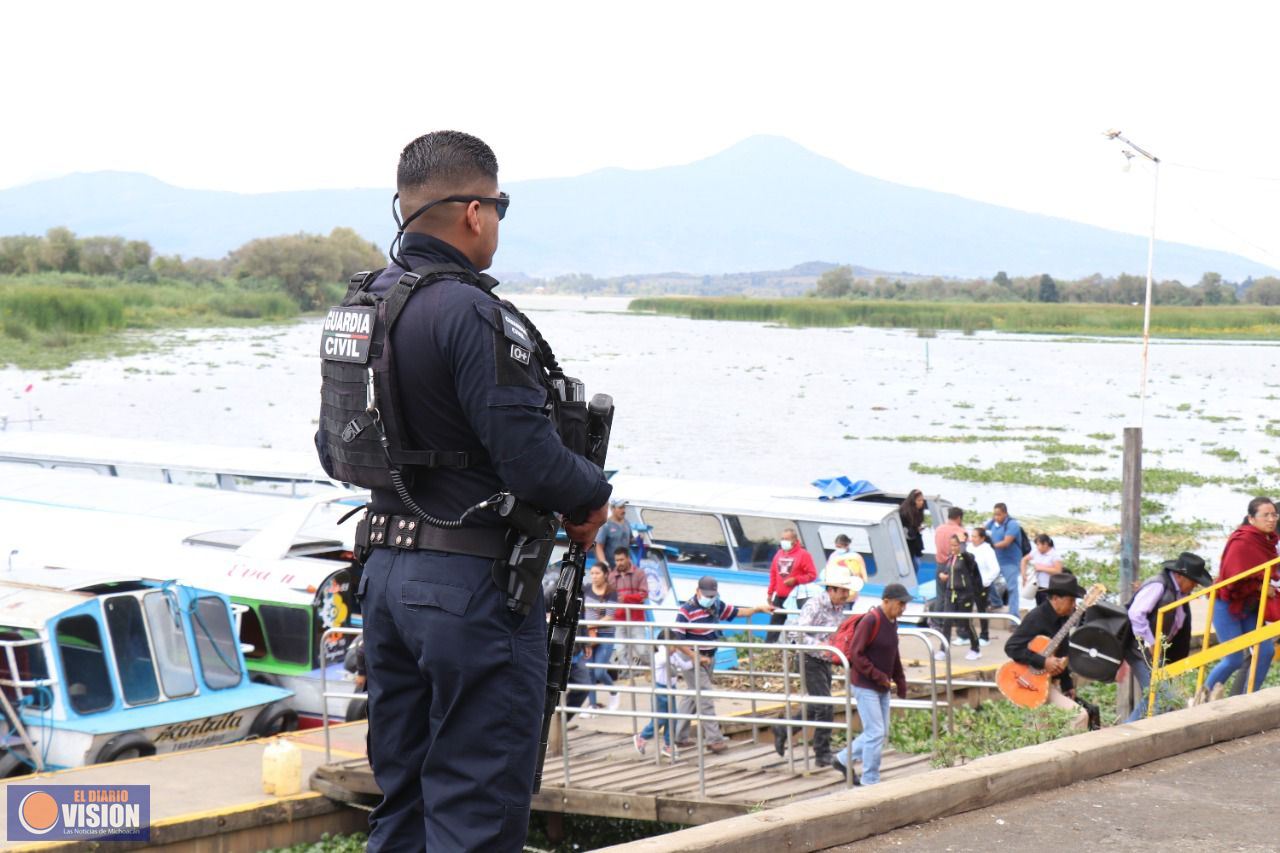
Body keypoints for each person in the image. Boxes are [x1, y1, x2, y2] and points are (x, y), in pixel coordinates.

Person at [352, 131, 610, 853]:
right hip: (471, 585)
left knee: (401, 794)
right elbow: (531, 460)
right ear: (474, 211)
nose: (496, 220)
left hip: (384, 570)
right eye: (498, 206)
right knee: (478, 801)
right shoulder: (472, 313)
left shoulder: (363, 304)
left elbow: (331, 446)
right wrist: (592, 493)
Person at [771, 564, 864, 766]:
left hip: (824, 659)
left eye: (846, 591)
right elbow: (797, 632)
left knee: (817, 704)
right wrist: (819, 645)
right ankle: (821, 753)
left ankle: (784, 729)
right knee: (824, 705)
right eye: (843, 591)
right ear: (831, 590)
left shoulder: (838, 606)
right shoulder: (814, 605)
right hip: (809, 658)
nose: (846, 594)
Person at [672, 576, 774, 753]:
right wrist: (694, 655)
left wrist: (758, 609)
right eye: (706, 595)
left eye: (712, 595)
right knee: (705, 697)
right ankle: (714, 739)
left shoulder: (716, 606)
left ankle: (678, 736)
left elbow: (737, 612)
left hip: (709, 657)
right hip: (692, 659)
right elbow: (677, 639)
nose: (709, 598)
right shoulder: (686, 611)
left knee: (692, 695)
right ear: (698, 591)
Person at [831, 583, 911, 785]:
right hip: (865, 685)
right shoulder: (871, 620)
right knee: (875, 732)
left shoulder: (892, 622)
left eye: (904, 604)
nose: (903, 609)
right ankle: (870, 779)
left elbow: (893, 654)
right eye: (900, 604)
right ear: (886, 601)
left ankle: (842, 759)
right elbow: (857, 654)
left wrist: (899, 680)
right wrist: (878, 676)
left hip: (882, 685)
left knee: (879, 732)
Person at [1204, 496, 1279, 699]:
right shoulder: (1242, 541)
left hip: (1250, 604)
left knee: (1265, 651)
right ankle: (1202, 696)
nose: (1272, 519)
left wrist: (1264, 586)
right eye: (1266, 515)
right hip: (1228, 603)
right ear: (1251, 519)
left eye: (1274, 514)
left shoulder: (1268, 541)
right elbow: (1232, 579)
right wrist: (1261, 585)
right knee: (1234, 659)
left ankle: (1247, 698)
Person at [1125, 552, 1213, 722]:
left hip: (1156, 651)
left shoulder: (1180, 593)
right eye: (1193, 581)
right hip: (1141, 649)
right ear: (1180, 576)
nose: (1194, 586)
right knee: (1160, 696)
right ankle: (1126, 733)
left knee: (1159, 695)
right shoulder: (1159, 586)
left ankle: (1130, 730)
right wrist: (1150, 642)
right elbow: (1136, 614)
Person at [1004, 572, 1089, 731]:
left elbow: (1061, 654)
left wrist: (1067, 684)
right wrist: (1043, 661)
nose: (1073, 605)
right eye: (1071, 600)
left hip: (1051, 682)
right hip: (1033, 681)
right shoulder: (1036, 617)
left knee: (1043, 730)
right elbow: (1011, 647)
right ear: (1056, 599)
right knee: (1079, 716)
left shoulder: (1064, 618)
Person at [633, 645, 688, 759]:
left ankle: (669, 744)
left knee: (672, 718)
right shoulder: (660, 656)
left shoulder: (673, 655)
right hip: (660, 689)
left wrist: (696, 660)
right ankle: (642, 737)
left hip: (671, 688)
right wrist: (666, 648)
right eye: (674, 645)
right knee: (660, 719)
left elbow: (684, 665)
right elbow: (664, 659)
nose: (676, 649)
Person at [935, 535, 984, 660]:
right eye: (951, 545)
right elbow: (949, 572)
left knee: (965, 623)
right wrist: (943, 575)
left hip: (965, 595)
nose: (953, 548)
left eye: (956, 545)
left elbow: (971, 564)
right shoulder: (951, 558)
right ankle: (943, 649)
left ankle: (975, 649)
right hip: (951, 594)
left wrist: (963, 547)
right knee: (947, 622)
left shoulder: (966, 558)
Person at [765, 528, 818, 643]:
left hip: (796, 598)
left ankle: (796, 651)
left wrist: (796, 580)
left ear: (794, 540)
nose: (784, 541)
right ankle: (768, 650)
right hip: (780, 596)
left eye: (787, 539)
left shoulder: (804, 555)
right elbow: (773, 574)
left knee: (795, 627)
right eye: (782, 539)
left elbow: (812, 575)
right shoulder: (778, 554)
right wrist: (770, 592)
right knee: (774, 626)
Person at [580, 563, 618, 714]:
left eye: (597, 573)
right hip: (589, 634)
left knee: (599, 672)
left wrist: (590, 625)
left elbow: (610, 616)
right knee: (588, 670)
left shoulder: (611, 592)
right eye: (592, 573)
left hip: (605, 634)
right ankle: (592, 705)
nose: (594, 576)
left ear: (605, 574)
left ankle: (614, 693)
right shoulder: (587, 589)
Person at [608, 547, 650, 673]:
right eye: (617, 560)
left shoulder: (639, 573)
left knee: (642, 650)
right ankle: (628, 676)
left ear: (628, 558)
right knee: (620, 651)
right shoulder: (611, 576)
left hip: (636, 619)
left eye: (621, 559)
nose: (619, 563)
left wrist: (625, 598)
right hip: (619, 619)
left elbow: (644, 595)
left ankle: (653, 668)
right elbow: (610, 598)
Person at [985, 502, 1024, 615]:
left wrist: (992, 545)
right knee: (987, 581)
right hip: (996, 560)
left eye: (999, 515)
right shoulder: (993, 522)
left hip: (1010, 561)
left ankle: (1014, 618)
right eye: (995, 514)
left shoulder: (1012, 524)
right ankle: (996, 602)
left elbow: (1006, 542)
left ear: (1005, 514)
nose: (996, 517)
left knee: (1012, 589)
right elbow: (982, 531)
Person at [968, 527, 999, 646]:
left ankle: (984, 635)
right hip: (969, 583)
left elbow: (995, 569)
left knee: (982, 609)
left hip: (982, 584)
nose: (973, 539)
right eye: (972, 536)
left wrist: (986, 582)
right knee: (966, 609)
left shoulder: (987, 550)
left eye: (975, 537)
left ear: (982, 538)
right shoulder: (969, 547)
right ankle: (966, 634)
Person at [1021, 533, 1064, 607]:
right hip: (1037, 586)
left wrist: (1042, 568)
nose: (1037, 547)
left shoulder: (1054, 555)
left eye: (1038, 545)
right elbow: (1024, 560)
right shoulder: (1036, 552)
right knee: (1039, 605)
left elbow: (1058, 571)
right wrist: (1024, 575)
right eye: (1036, 545)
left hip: (1049, 587)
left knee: (1047, 607)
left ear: (1046, 544)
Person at [595, 500, 633, 567]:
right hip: (611, 567)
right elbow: (599, 546)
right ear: (612, 509)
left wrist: (639, 539)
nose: (623, 510)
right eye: (620, 508)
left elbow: (630, 540)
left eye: (624, 507)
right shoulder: (606, 525)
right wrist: (604, 564)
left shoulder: (627, 523)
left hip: (624, 566)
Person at [899, 490, 927, 579]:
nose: (921, 502)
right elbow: (904, 531)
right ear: (913, 501)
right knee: (915, 564)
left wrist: (917, 529)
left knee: (916, 563)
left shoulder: (918, 512)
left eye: (922, 500)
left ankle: (912, 579)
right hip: (906, 544)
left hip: (914, 543)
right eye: (919, 500)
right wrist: (915, 529)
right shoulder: (905, 513)